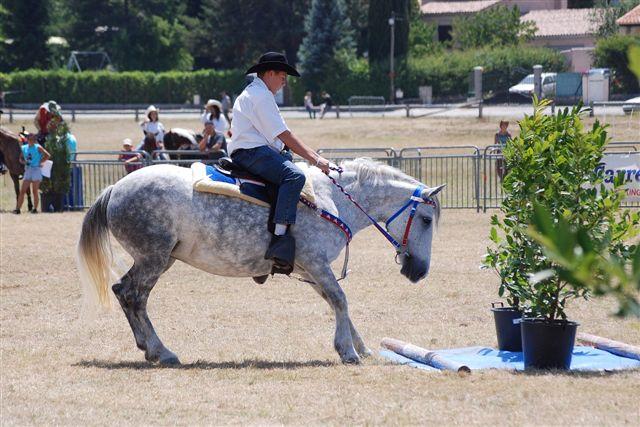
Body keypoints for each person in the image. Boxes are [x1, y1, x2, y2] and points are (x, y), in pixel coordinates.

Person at [228, 51, 331, 273]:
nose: (285, 81)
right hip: (252, 152)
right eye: (282, 76)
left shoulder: (256, 92)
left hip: (252, 150)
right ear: (270, 73)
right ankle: (279, 242)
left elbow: (281, 137)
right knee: (294, 176)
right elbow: (284, 134)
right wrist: (315, 159)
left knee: (287, 166)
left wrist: (313, 156)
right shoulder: (261, 96)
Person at [14, 132, 50, 214]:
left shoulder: (38, 147)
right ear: (27, 139)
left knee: (34, 191)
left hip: (36, 170)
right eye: (30, 139)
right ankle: (18, 209)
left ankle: (35, 209)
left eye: (33, 139)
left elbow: (47, 155)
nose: (31, 141)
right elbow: (21, 158)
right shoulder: (24, 148)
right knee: (22, 190)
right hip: (28, 169)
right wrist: (23, 162)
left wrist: (40, 162)